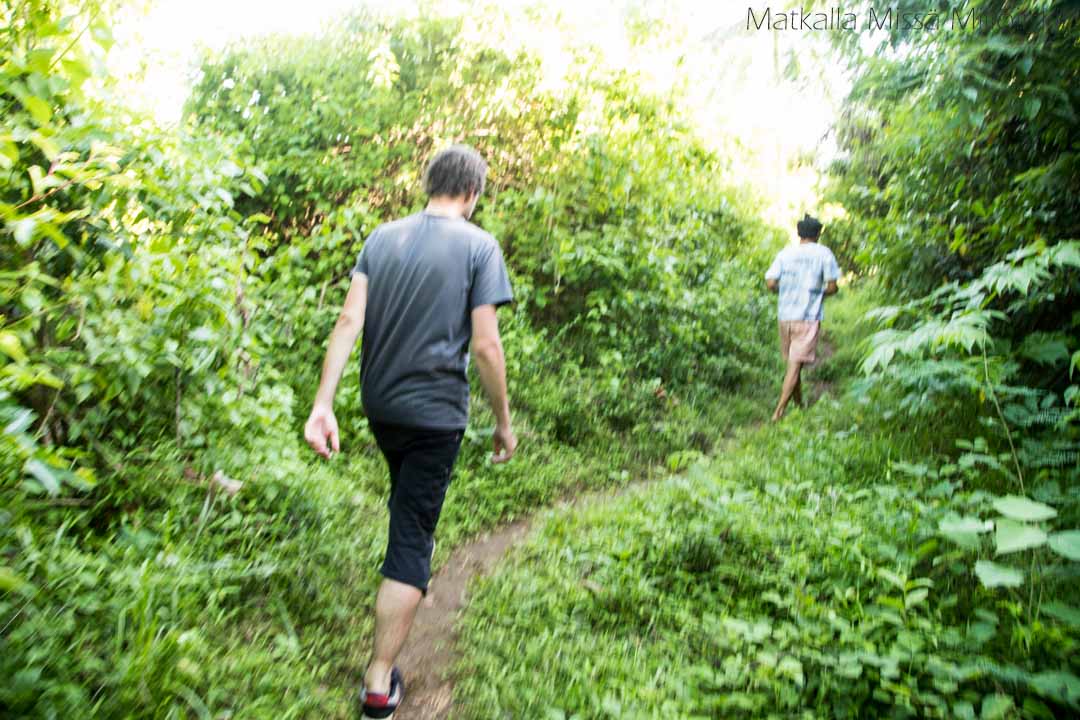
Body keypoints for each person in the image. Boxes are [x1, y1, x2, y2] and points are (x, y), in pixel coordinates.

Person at [303, 144, 518, 719]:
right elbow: (486, 345)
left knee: (405, 509)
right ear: (472, 193)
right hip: (435, 415)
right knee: (412, 538)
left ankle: (388, 625)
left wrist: (324, 402)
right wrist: (503, 422)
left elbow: (349, 320)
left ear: (430, 184)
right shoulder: (479, 246)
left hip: (382, 409)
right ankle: (378, 681)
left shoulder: (382, 238)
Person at [764, 213, 840, 422]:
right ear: (818, 234)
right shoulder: (824, 254)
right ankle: (778, 412)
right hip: (807, 317)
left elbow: (770, 283)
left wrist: (786, 289)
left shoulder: (786, 254)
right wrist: (818, 293)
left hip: (785, 316)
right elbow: (832, 287)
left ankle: (799, 406)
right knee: (795, 365)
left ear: (799, 234)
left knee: (793, 363)